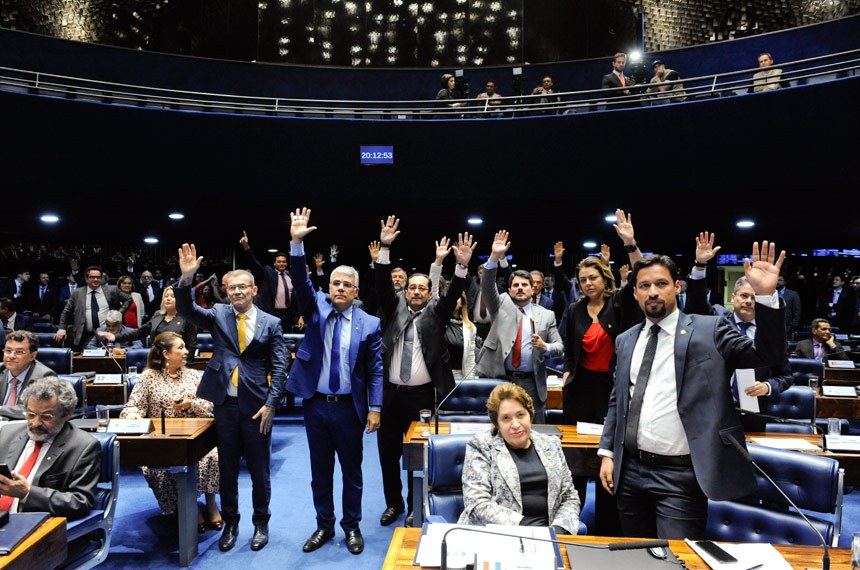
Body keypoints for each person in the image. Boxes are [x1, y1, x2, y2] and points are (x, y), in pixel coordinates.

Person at [598, 241, 788, 539]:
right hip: (631, 471)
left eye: (661, 283)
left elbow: (766, 356)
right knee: (637, 555)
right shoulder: (625, 340)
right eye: (644, 285)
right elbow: (618, 401)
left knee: (677, 559)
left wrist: (766, 297)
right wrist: (608, 451)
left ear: (677, 287)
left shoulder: (710, 328)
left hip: (682, 474)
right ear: (634, 293)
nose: (653, 292)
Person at [175, 244, 287, 553]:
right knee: (226, 470)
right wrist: (186, 279)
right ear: (226, 291)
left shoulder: (271, 323)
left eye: (242, 287)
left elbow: (279, 366)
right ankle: (232, 523)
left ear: (253, 289)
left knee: (260, 469)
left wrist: (271, 404)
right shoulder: (218, 314)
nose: (236, 292)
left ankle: (261, 523)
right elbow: (186, 311)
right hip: (224, 406)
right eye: (231, 287)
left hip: (257, 408)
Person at [287, 207, 382, 555]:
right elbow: (300, 281)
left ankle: (352, 527)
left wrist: (376, 407)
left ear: (356, 291)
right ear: (328, 288)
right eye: (335, 284)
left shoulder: (369, 324)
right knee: (320, 472)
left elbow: (374, 369)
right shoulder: (316, 309)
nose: (340, 288)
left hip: (348, 408)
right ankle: (324, 526)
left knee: (352, 472)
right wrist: (297, 244)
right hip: (315, 405)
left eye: (347, 285)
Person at [374, 220, 475, 528]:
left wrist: (460, 265)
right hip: (390, 395)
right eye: (412, 287)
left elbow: (455, 290)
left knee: (417, 455)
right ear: (405, 292)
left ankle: (413, 506)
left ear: (430, 293)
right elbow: (381, 283)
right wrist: (385, 248)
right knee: (388, 454)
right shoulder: (393, 310)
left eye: (422, 288)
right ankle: (393, 504)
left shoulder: (437, 314)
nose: (416, 291)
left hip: (422, 397)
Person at [685, 233, 793, 431]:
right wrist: (700, 266)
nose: (749, 301)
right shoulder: (717, 321)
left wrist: (768, 387)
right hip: (713, 411)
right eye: (744, 296)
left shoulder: (771, 335)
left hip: (753, 411)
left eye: (754, 297)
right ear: (733, 297)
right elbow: (697, 306)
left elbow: (785, 376)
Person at [119, 331, 222, 532]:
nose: (186, 351)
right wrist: (133, 417)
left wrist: (190, 403)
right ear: (166, 354)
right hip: (162, 440)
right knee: (172, 464)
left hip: (197, 438)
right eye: (181, 348)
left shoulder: (193, 375)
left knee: (214, 457)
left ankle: (211, 503)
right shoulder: (149, 377)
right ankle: (190, 507)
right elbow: (133, 406)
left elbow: (210, 405)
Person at [458, 382, 580, 534]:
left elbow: (569, 496)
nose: (515, 424)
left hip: (550, 535)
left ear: (530, 415)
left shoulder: (551, 444)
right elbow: (476, 504)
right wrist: (527, 529)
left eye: (520, 415)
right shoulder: (481, 446)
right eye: (506, 418)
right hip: (498, 535)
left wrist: (558, 530)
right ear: (497, 424)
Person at [476, 230, 564, 423]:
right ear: (509, 290)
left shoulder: (546, 314)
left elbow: (559, 347)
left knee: (533, 429)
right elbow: (487, 286)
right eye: (516, 285)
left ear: (533, 290)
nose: (520, 288)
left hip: (532, 381)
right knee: (499, 427)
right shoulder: (500, 303)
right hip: (501, 378)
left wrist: (545, 347)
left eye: (525, 285)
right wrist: (494, 257)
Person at [0, 377, 100, 520]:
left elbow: (80, 502)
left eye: (46, 417)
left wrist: (27, 493)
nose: (35, 423)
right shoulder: (7, 433)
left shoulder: (84, 446)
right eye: (31, 414)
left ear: (67, 414)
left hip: (33, 523)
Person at [99, 285, 198, 355]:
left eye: (172, 296)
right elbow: (139, 333)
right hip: (156, 361)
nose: (168, 299)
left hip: (177, 362)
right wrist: (116, 337)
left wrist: (184, 367)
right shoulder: (158, 315)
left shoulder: (188, 318)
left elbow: (191, 347)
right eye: (166, 296)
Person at [55, 265, 132, 351]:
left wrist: (118, 314)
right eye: (92, 277)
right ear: (86, 279)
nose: (95, 279)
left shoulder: (112, 290)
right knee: (87, 361)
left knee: (111, 360)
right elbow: (66, 312)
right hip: (85, 335)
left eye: (98, 277)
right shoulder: (77, 293)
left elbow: (129, 299)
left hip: (108, 333)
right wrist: (62, 329)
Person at [240, 231, 297, 333]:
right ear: (274, 264)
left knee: (287, 340)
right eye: (279, 262)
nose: (281, 263)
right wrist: (246, 246)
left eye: (284, 262)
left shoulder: (290, 277)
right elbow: (254, 264)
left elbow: (296, 297)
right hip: (272, 313)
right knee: (271, 339)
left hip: (288, 315)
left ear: (287, 263)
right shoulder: (268, 272)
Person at [1, 330, 60, 420]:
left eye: (19, 352)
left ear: (32, 356)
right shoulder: (1, 370)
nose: (11, 356)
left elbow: (34, 410)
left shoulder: (45, 377)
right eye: (8, 351)